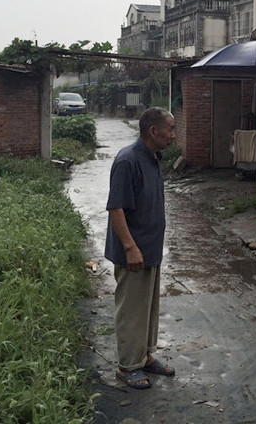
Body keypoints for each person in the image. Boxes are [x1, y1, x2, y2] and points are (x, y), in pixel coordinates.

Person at [105, 107, 177, 390]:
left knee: (147, 308)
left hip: (150, 248)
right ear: (154, 131)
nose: (173, 135)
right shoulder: (128, 161)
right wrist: (130, 247)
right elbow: (116, 208)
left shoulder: (154, 158)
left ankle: (144, 356)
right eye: (170, 129)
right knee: (132, 310)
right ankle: (127, 366)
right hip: (133, 251)